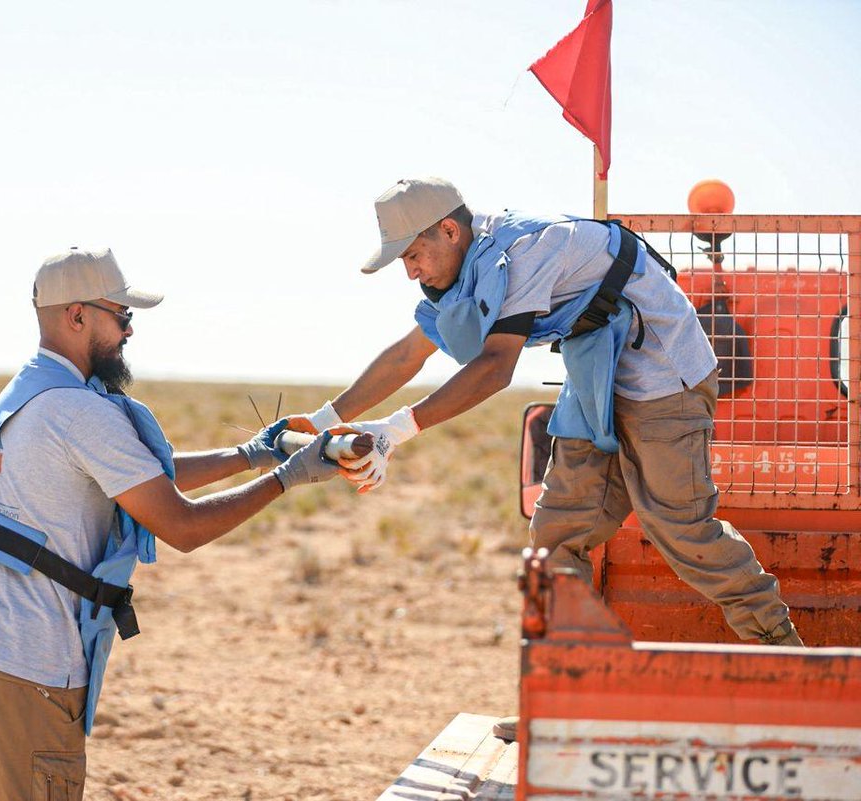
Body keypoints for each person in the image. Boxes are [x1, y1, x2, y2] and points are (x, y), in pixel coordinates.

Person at [286, 177, 804, 737]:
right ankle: (565, 699)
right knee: (556, 535)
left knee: (679, 527)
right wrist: (324, 421)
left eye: (413, 254)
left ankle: (797, 671)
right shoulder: (466, 267)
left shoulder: (522, 249)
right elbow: (408, 354)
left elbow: (493, 368)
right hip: (596, 372)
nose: (411, 271)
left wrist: (394, 430)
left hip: (663, 374)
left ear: (450, 230)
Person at [0, 247, 338, 800]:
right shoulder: (83, 411)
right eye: (123, 316)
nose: (130, 332)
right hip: (27, 665)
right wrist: (290, 476)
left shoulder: (27, 392)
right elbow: (180, 525)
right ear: (77, 316)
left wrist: (250, 455)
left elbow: (134, 476)